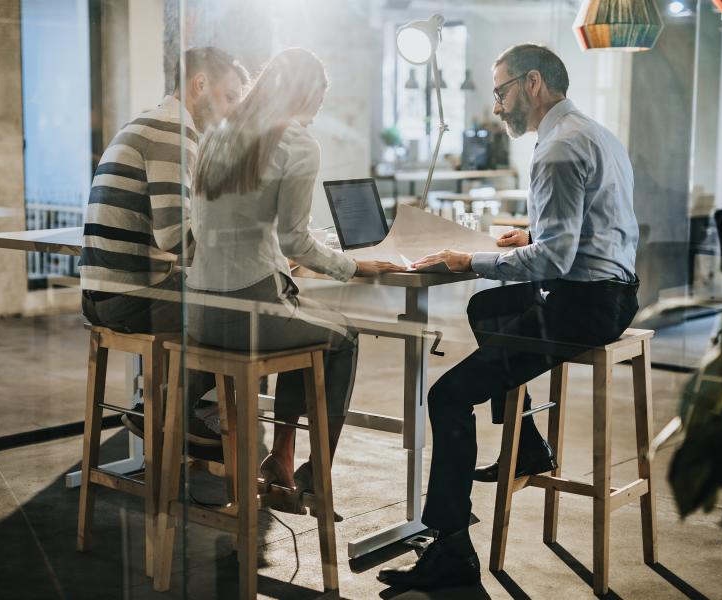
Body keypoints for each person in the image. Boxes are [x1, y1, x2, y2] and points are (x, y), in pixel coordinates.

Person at [378, 43, 640, 589]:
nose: (497, 107)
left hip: (583, 309)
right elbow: (583, 234)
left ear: (534, 84)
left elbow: (552, 261)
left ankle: (451, 551)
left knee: (447, 396)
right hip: (614, 294)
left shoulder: (558, 149)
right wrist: (530, 236)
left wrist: (467, 258)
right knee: (488, 306)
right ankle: (526, 443)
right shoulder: (595, 133)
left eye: (501, 92)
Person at [187, 47, 403, 514]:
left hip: (199, 312)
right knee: (342, 336)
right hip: (250, 310)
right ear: (307, 92)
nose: (320, 107)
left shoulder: (216, 134)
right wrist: (354, 266)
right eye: (320, 96)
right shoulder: (296, 143)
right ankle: (315, 476)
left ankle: (281, 457)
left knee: (305, 323)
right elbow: (295, 241)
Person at [80, 47, 249, 445]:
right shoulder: (175, 133)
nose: (232, 112)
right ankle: (176, 413)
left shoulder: (152, 121)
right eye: (230, 97)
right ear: (200, 83)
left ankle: (166, 408)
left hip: (102, 293)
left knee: (223, 301)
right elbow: (177, 239)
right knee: (245, 311)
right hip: (128, 297)